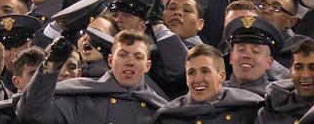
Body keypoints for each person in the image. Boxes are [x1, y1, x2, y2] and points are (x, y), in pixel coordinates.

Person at [16, 30, 166, 124]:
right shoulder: (80, 95)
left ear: (148, 66)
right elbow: (32, 115)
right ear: (110, 60)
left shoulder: (159, 110)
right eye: (123, 55)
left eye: (138, 57)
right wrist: (51, 64)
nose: (130, 62)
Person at [154, 44, 263, 124]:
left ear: (222, 76)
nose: (197, 79)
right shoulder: (168, 116)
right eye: (191, 72)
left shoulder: (248, 107)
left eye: (205, 71)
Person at [257, 39, 314, 124]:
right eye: (298, 68)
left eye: (313, 68)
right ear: (291, 73)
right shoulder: (269, 113)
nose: (305, 75)